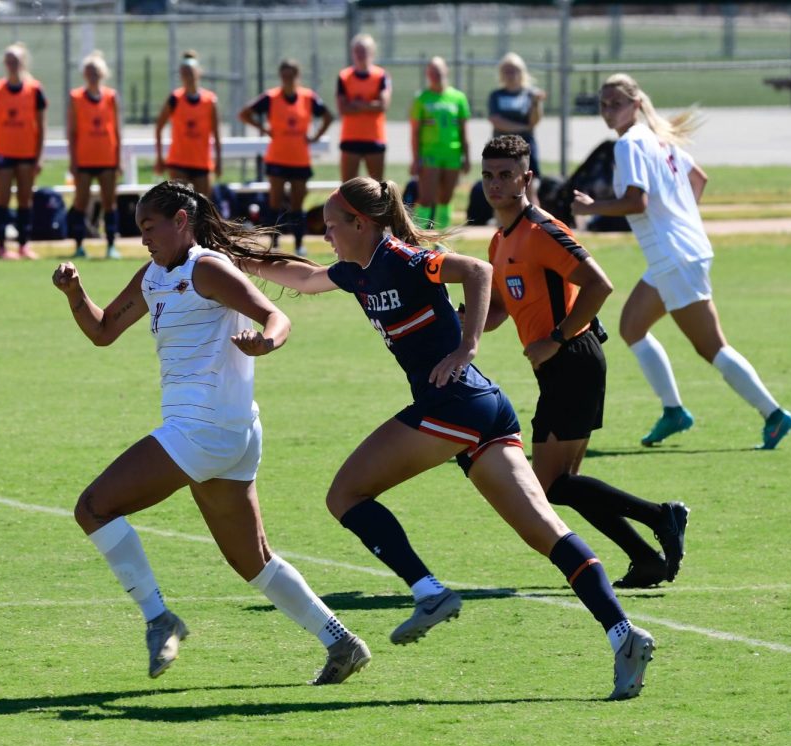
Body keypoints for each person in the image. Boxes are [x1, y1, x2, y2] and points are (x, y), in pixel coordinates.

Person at [240, 176, 656, 700]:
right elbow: (303, 278)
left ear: (361, 224)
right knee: (545, 532)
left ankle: (429, 591)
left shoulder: (405, 258)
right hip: (482, 410)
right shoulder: (357, 271)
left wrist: (468, 346)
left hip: (453, 403)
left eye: (331, 226)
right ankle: (625, 636)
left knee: (345, 495)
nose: (326, 236)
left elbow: (478, 271)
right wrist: (240, 258)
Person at [50, 180, 371, 686]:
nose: (144, 239)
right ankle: (341, 641)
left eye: (150, 227)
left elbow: (275, 315)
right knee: (254, 561)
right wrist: (75, 294)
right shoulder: (154, 276)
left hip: (202, 428)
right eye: (139, 231)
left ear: (182, 221)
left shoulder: (208, 268)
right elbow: (103, 330)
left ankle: (159, 618)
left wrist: (267, 342)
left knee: (93, 508)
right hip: (231, 432)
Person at [479, 135, 688, 589]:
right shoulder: (500, 241)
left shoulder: (543, 231)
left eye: (506, 175)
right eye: (489, 175)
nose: (496, 184)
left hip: (573, 358)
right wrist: (459, 321)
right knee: (563, 481)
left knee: (548, 485)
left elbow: (599, 285)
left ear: (526, 178)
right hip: (561, 364)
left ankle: (661, 515)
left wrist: (555, 338)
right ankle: (646, 557)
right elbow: (497, 309)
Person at [571, 74, 791, 450]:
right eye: (603, 104)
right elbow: (699, 179)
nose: (608, 111)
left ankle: (773, 414)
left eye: (615, 103)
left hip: (674, 255)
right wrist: (682, 220)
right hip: (678, 252)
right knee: (632, 327)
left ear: (636, 104)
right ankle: (674, 411)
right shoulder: (661, 137)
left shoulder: (628, 144)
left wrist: (593, 208)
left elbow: (636, 201)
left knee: (712, 348)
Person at [239, 58, 334, 257]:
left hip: (299, 159)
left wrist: (315, 137)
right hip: (277, 159)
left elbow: (328, 116)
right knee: (275, 203)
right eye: (284, 75)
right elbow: (245, 113)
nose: (288, 79)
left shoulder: (308, 97)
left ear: (297, 76)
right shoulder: (271, 97)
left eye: (292, 75)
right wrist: (264, 129)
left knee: (297, 205)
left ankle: (299, 244)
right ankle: (274, 243)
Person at [0, 42, 46, 260]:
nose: (12, 64)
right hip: (3, 153)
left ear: (23, 62)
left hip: (27, 154)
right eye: (8, 60)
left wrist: (39, 157)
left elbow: (41, 127)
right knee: (2, 200)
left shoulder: (35, 89)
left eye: (16, 60)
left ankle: (23, 245)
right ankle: (1, 246)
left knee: (24, 200)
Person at [66, 51, 123, 260]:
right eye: (89, 71)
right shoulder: (76, 97)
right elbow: (72, 132)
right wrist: (73, 160)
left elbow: (116, 130)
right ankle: (79, 245)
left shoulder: (111, 97)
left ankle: (110, 245)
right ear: (84, 74)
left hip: (107, 158)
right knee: (81, 202)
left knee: (110, 203)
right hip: (84, 159)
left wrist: (118, 159)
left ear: (103, 73)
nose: (92, 75)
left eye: (96, 71)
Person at [412, 56, 470, 229]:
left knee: (446, 198)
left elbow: (464, 130)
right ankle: (417, 238)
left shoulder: (458, 98)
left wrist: (466, 157)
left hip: (452, 154)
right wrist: (416, 159)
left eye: (438, 71)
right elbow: (415, 133)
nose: (435, 75)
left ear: (446, 71)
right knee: (426, 199)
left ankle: (442, 238)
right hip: (430, 155)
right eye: (431, 72)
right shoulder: (422, 99)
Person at [154, 51, 221, 198]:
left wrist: (219, 160)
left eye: (190, 72)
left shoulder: (210, 100)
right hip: (178, 161)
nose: (188, 76)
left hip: (202, 162)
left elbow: (216, 133)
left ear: (198, 73)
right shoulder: (175, 98)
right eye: (184, 73)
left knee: (203, 209)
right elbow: (159, 127)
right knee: (179, 205)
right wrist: (159, 157)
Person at [487, 53, 545, 207]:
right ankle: (502, 227)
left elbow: (535, 121)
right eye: (507, 71)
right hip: (502, 148)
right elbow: (496, 121)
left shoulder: (529, 94)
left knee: (530, 187)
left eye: (514, 70)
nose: (511, 75)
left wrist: (536, 104)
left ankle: (535, 226)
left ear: (522, 72)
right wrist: (523, 128)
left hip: (526, 146)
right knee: (500, 190)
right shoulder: (496, 95)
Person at [336, 34, 390, 182]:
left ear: (372, 52)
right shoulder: (344, 76)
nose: (361, 55)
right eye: (357, 51)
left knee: (377, 188)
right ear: (352, 53)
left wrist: (357, 104)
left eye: (364, 51)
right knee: (348, 187)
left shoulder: (380, 76)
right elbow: (343, 108)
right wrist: (369, 104)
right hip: (350, 137)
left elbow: (382, 105)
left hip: (374, 138)